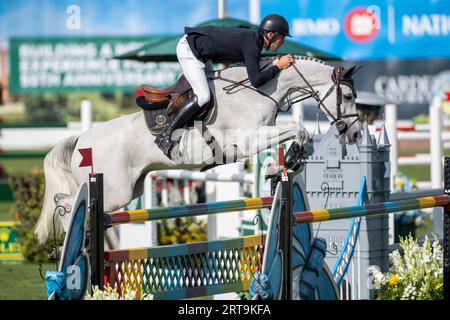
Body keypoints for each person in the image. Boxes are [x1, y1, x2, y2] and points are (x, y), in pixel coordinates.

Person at [155, 14, 295, 159]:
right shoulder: (252, 44)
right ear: (270, 34)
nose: (282, 42)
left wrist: (274, 63)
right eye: (282, 37)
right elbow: (257, 81)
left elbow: (255, 65)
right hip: (190, 50)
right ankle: (166, 135)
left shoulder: (254, 41)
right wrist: (278, 66)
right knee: (203, 96)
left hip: (201, 53)